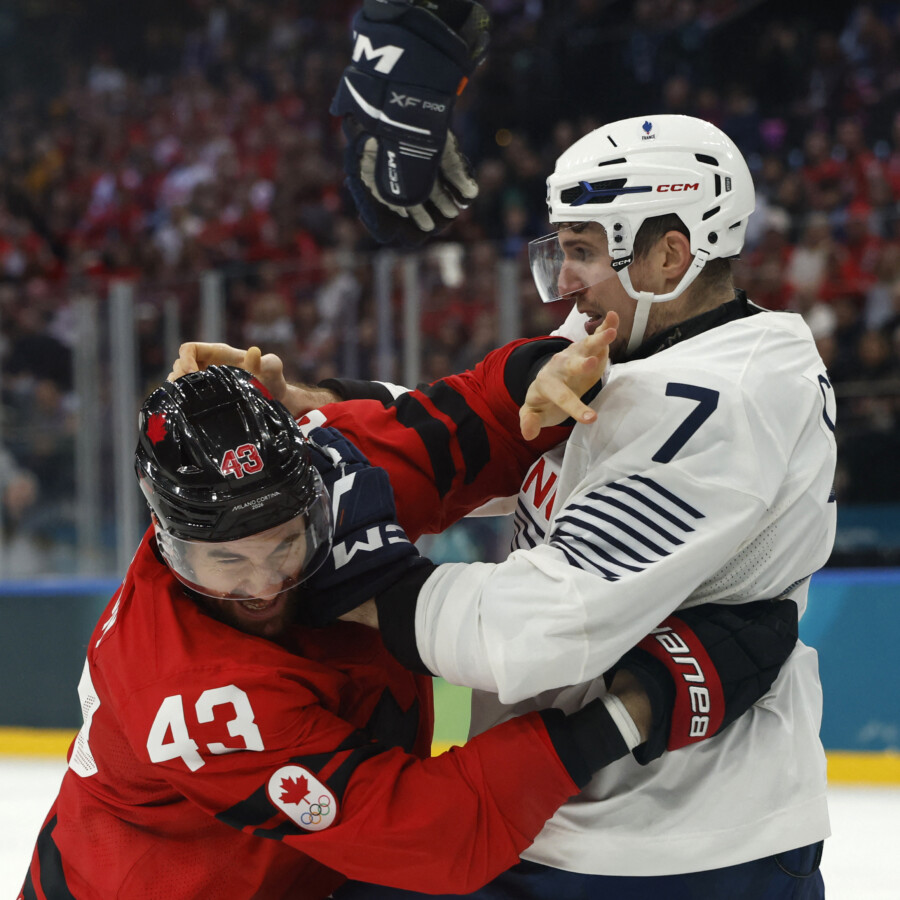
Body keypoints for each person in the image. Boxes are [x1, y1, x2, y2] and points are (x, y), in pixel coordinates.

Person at [23, 352, 778, 900]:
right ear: (166, 539)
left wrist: (544, 372)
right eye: (225, 560)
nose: (265, 583)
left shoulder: (337, 468)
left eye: (286, 541)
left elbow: (480, 415)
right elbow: (438, 834)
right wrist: (636, 707)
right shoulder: (193, 695)